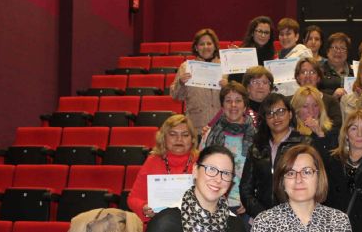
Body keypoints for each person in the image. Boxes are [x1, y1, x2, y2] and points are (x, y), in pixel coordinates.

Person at [240, 93, 311, 218]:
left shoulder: (305, 144)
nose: (276, 117)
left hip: (297, 217)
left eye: (281, 111)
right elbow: (246, 189)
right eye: (270, 113)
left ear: (290, 114)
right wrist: (264, 216)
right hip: (261, 218)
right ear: (265, 119)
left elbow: (312, 184)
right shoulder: (257, 147)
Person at [128, 114, 198, 222]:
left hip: (193, 223)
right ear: (164, 138)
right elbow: (133, 199)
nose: (179, 139)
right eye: (173, 134)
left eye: (185, 135)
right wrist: (144, 207)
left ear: (192, 139)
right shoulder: (153, 161)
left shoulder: (201, 161)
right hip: (159, 223)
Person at [201, 81, 255, 214]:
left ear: (245, 106)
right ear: (222, 106)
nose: (233, 105)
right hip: (214, 203)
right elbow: (201, 168)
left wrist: (250, 199)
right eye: (228, 101)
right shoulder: (210, 134)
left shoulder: (257, 136)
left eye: (238, 100)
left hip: (245, 205)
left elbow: (261, 173)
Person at [170, 28, 223, 132]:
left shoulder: (225, 66)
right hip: (196, 125)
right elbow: (175, 96)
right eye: (201, 44)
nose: (205, 47)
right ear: (196, 47)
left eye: (209, 43)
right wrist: (180, 83)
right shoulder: (185, 67)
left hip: (221, 125)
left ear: (215, 46)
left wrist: (228, 85)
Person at [294, 57, 343, 130]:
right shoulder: (289, 101)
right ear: (297, 77)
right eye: (303, 72)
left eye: (312, 72)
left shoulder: (331, 101)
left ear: (318, 78)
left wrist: (318, 129)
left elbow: (336, 127)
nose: (308, 76)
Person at [291, 85, 338, 151]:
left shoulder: (332, 132)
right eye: (305, 106)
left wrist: (320, 134)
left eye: (315, 105)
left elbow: (330, 160)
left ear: (321, 108)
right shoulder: (291, 132)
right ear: (296, 109)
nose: (311, 111)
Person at [320, 32, 352, 98]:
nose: (338, 51)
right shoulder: (319, 71)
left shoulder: (355, 71)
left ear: (347, 53)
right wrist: (332, 94)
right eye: (335, 47)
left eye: (343, 48)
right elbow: (314, 92)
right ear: (327, 51)